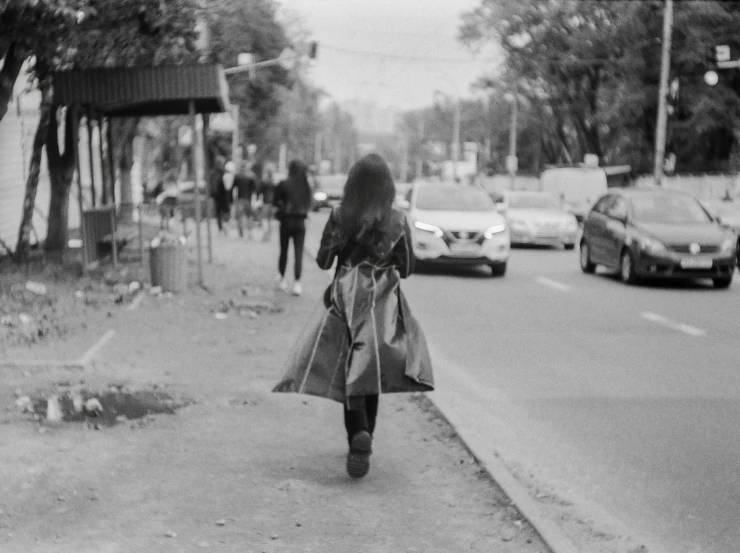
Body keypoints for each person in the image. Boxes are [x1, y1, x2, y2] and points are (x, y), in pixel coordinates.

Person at [273, 153, 435, 479]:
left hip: (346, 299)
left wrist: (340, 243)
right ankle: (365, 438)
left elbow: (322, 261)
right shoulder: (397, 220)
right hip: (382, 302)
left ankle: (357, 434)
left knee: (351, 369)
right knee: (369, 369)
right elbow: (407, 269)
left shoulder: (339, 216)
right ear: (387, 187)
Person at [272, 160, 312, 296]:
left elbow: (275, 200)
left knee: (284, 251)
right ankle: (297, 283)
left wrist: (283, 207)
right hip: (300, 222)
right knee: (298, 252)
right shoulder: (306, 186)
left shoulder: (284, 184)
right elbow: (309, 203)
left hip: (286, 221)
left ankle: (282, 279)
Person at [233, 164, 258, 239]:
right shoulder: (251, 176)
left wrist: (234, 199)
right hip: (248, 199)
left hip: (240, 199)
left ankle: (241, 233)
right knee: (249, 216)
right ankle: (250, 232)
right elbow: (255, 189)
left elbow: (234, 188)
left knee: (240, 216)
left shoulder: (237, 176)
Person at [210, 156, 230, 234]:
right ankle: (222, 227)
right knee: (223, 211)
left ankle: (221, 227)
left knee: (219, 212)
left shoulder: (214, 172)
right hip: (223, 195)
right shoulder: (224, 172)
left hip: (218, 195)